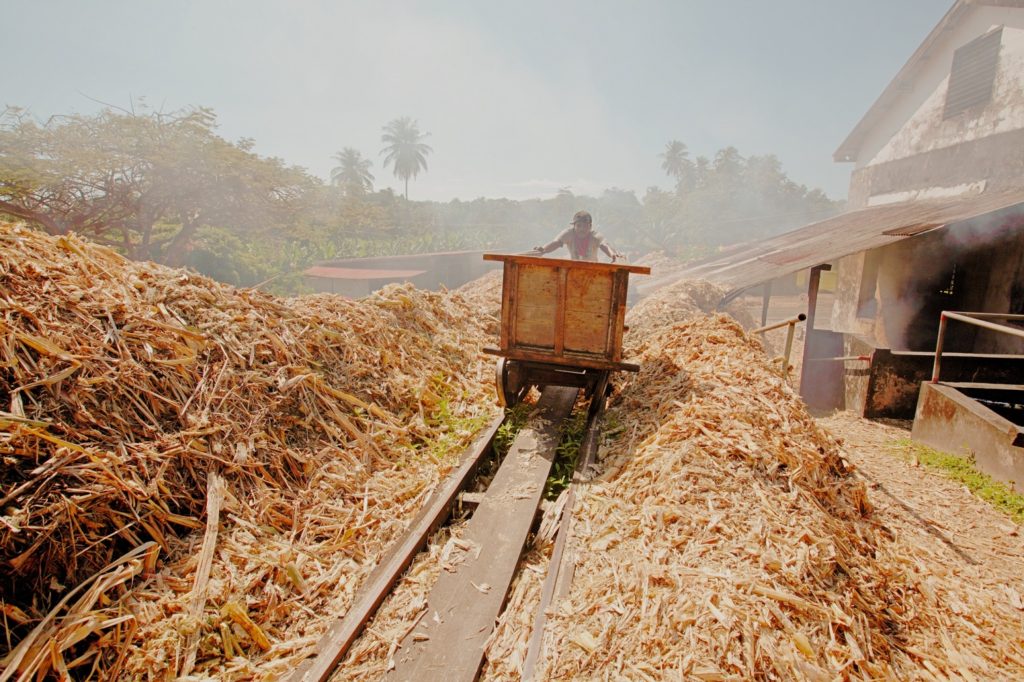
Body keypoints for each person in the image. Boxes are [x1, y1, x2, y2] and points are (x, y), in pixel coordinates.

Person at [532, 210, 622, 262]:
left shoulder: (595, 235)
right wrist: (543, 250)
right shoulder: (568, 233)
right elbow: (556, 243)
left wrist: (612, 254)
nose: (581, 229)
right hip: (574, 270)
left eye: (585, 226)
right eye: (579, 226)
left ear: (590, 226)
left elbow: (604, 245)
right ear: (574, 226)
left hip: (593, 271)